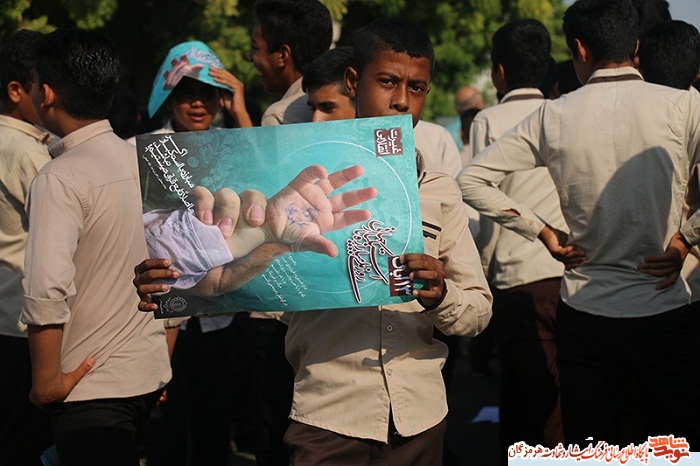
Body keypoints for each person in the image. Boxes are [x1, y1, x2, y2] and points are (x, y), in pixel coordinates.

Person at [136, 17, 493, 465]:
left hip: (419, 418)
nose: (402, 100)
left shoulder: (439, 189)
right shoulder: (293, 182)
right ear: (353, 81)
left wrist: (440, 295)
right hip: (328, 417)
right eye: (387, 81)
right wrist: (174, 273)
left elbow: (478, 311)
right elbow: (211, 284)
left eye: (416, 87)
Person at [459, 0, 700, 448]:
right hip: (662, 307)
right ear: (635, 45)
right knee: (669, 444)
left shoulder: (554, 115)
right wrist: (686, 240)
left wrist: (544, 232)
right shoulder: (683, 105)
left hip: (586, 310)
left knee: (594, 443)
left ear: (580, 49)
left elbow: (471, 181)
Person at [21, 28, 171, 465]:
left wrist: (47, 383)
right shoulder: (141, 162)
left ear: (46, 94)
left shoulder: (60, 177)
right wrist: (161, 363)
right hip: (146, 375)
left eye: (35, 83)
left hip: (90, 386)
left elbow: (46, 288)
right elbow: (172, 270)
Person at [136, 39, 254, 466]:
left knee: (213, 424)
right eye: (187, 94)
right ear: (169, 98)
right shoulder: (145, 149)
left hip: (220, 314)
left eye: (208, 94)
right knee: (163, 425)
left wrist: (241, 111)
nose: (198, 103)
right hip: (160, 316)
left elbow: (265, 171)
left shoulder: (233, 142)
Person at [463, 19, 565, 457]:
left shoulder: (488, 119)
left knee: (527, 391)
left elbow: (482, 207)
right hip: (566, 270)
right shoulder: (562, 112)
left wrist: (482, 273)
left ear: (499, 72)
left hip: (516, 274)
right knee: (554, 387)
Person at [0, 28, 54, 466]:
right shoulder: (25, 152)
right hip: (20, 325)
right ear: (16, 90)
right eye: (43, 83)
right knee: (24, 445)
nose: (51, 94)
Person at [252, 0, 333, 126]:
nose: (251, 57)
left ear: (282, 55)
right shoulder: (347, 99)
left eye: (255, 48)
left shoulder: (277, 117)